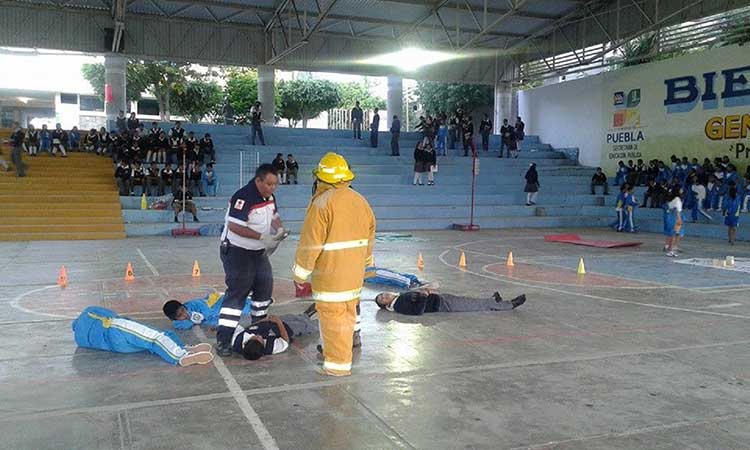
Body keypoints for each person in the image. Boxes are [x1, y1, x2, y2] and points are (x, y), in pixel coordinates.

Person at [292, 152, 376, 377]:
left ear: (321, 177)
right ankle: (339, 358)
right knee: (347, 318)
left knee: (332, 321)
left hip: (330, 278)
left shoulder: (321, 204)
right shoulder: (360, 201)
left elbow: (310, 244)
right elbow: (369, 238)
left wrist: (300, 274)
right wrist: (366, 264)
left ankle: (337, 367)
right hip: (354, 277)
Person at [217, 164, 287, 357]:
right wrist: (262, 237)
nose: (272, 188)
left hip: (258, 253)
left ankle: (258, 329)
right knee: (237, 294)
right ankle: (224, 339)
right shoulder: (243, 196)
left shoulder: (269, 196)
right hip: (237, 252)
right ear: (258, 181)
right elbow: (234, 226)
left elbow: (273, 214)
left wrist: (279, 229)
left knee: (264, 290)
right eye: (269, 184)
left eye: (275, 184)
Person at [72, 306, 213, 367]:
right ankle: (181, 356)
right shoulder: (87, 313)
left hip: (116, 346)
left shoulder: (80, 338)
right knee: (155, 336)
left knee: (152, 340)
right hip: (114, 328)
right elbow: (111, 314)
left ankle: (182, 347)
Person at [232, 309, 318, 361]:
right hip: (286, 329)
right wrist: (278, 322)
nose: (259, 336)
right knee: (306, 325)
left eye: (256, 337)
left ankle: (305, 316)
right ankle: (316, 320)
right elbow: (285, 341)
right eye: (260, 340)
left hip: (270, 322)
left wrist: (263, 320)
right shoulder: (271, 347)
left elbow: (246, 327)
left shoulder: (238, 340)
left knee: (292, 317)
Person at [375, 289, 526, 315]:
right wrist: (424, 296)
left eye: (382, 294)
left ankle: (494, 301)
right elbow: (417, 312)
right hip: (443, 305)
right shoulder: (400, 305)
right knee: (474, 305)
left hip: (441, 299)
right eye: (382, 299)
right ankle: (509, 305)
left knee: (470, 301)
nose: (384, 295)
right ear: (385, 305)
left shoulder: (400, 297)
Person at [162, 291, 252, 330]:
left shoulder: (194, 304)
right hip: (214, 312)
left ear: (183, 305)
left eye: (183, 310)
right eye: (180, 316)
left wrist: (215, 323)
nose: (185, 315)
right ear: (173, 319)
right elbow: (186, 324)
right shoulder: (177, 324)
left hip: (215, 303)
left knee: (243, 306)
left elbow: (209, 314)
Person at [663, 186, 685, 257]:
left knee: (673, 233)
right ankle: (670, 250)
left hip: (670, 217)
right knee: (674, 234)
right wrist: (679, 219)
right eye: (680, 190)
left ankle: (670, 247)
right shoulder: (677, 199)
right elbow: (677, 210)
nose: (682, 191)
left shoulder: (672, 199)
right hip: (675, 217)